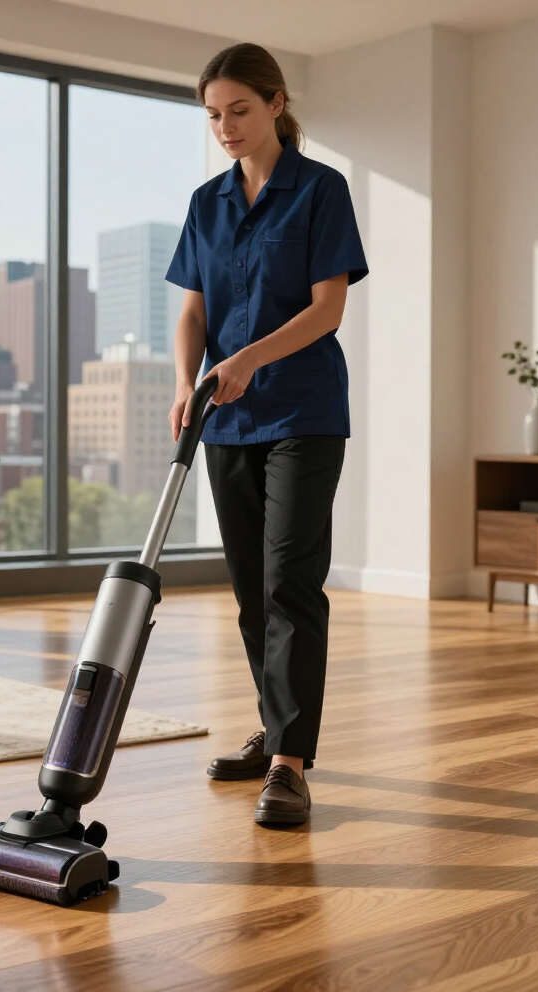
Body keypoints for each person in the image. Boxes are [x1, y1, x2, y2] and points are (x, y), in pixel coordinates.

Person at [167, 43, 368, 826]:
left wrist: (245, 358)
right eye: (214, 115)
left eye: (239, 110)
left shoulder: (320, 190)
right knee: (252, 589)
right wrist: (189, 381)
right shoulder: (205, 202)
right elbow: (191, 309)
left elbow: (327, 309)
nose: (226, 127)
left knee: (289, 579)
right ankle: (273, 725)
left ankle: (289, 762)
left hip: (304, 412)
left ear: (277, 103)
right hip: (228, 417)